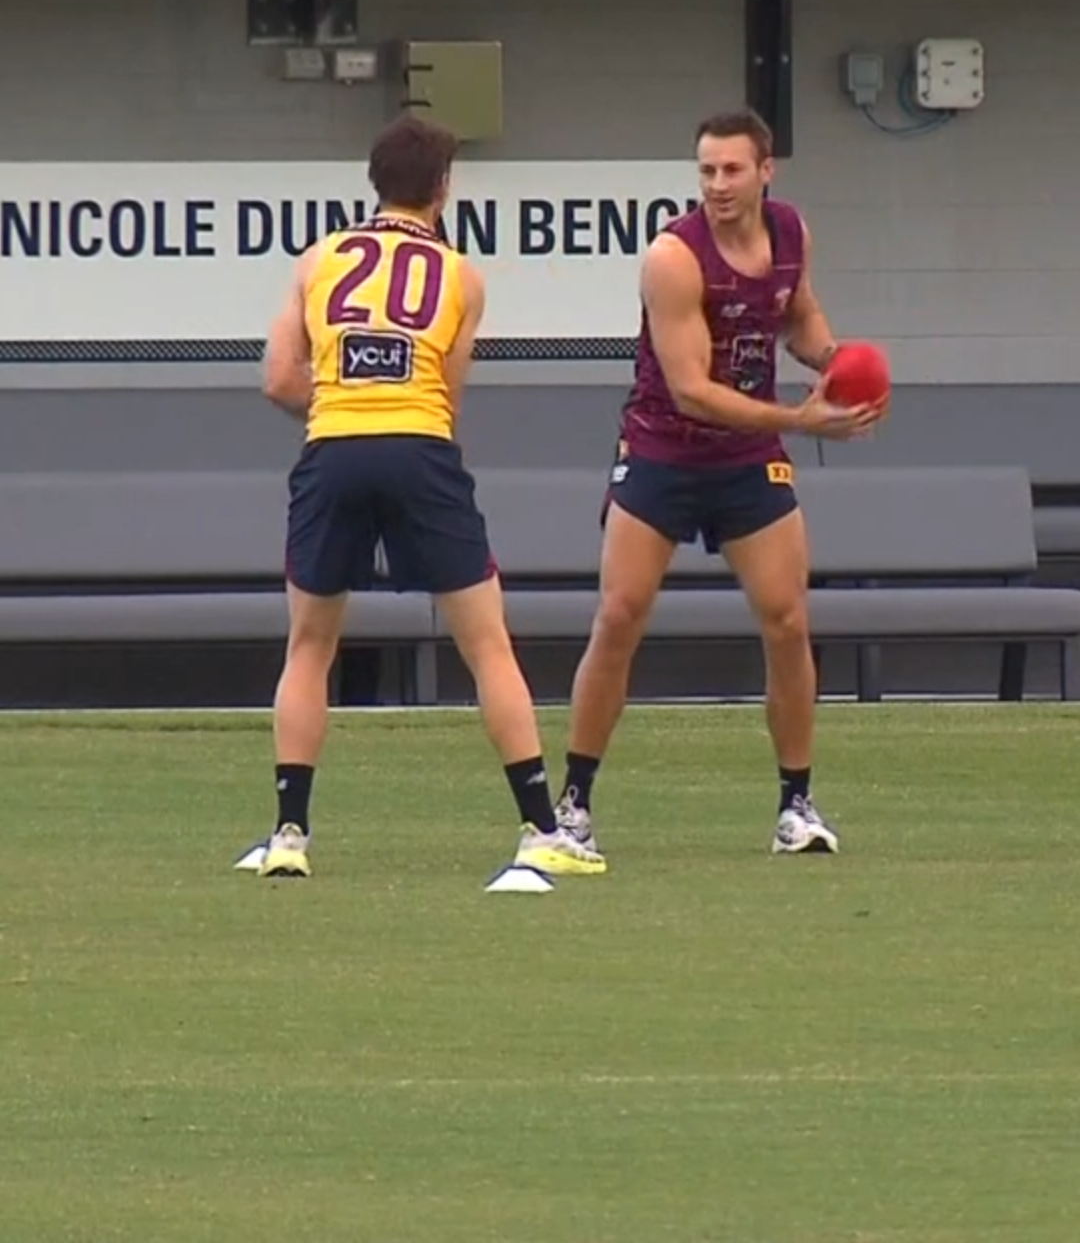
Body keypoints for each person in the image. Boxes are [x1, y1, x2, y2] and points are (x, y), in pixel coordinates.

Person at [257, 113, 605, 880]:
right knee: (487, 645)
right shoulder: (462, 276)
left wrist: (344, 397)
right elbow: (445, 396)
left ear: (374, 183)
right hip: (418, 449)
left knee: (309, 646)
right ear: (443, 190)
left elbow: (280, 378)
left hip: (333, 447)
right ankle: (540, 826)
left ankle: (288, 834)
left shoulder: (318, 260)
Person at [554, 107, 885, 859]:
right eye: (706, 170)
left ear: (766, 171)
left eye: (732, 169)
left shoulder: (792, 232)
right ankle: (573, 804)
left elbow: (797, 316)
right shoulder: (674, 256)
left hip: (748, 457)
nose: (717, 184)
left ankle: (796, 806)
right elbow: (692, 390)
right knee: (619, 615)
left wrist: (837, 363)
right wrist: (804, 421)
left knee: (788, 620)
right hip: (663, 449)